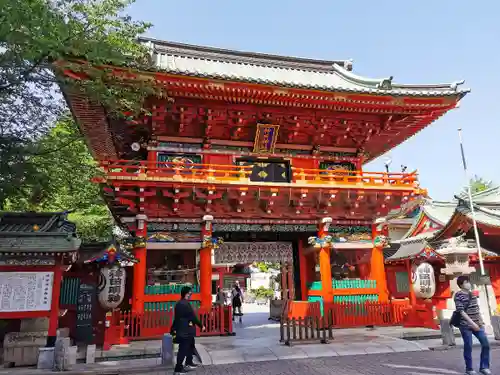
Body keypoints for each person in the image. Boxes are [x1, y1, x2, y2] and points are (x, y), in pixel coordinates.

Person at [454, 275, 491, 375]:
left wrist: (481, 323)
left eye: (468, 282)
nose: (468, 284)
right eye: (466, 282)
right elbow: (461, 311)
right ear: (461, 285)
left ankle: (484, 367)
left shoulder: (472, 294)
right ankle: (469, 369)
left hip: (477, 324)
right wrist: (472, 323)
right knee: (468, 346)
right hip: (465, 325)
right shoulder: (458, 295)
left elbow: (476, 309)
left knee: (486, 344)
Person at [171, 286, 204, 375]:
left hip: (182, 329)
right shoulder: (185, 304)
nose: (191, 295)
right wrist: (201, 325)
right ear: (186, 294)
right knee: (183, 349)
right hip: (186, 330)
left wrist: (173, 328)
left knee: (190, 346)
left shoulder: (178, 304)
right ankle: (178, 368)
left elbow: (176, 318)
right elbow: (193, 317)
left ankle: (188, 362)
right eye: (190, 293)